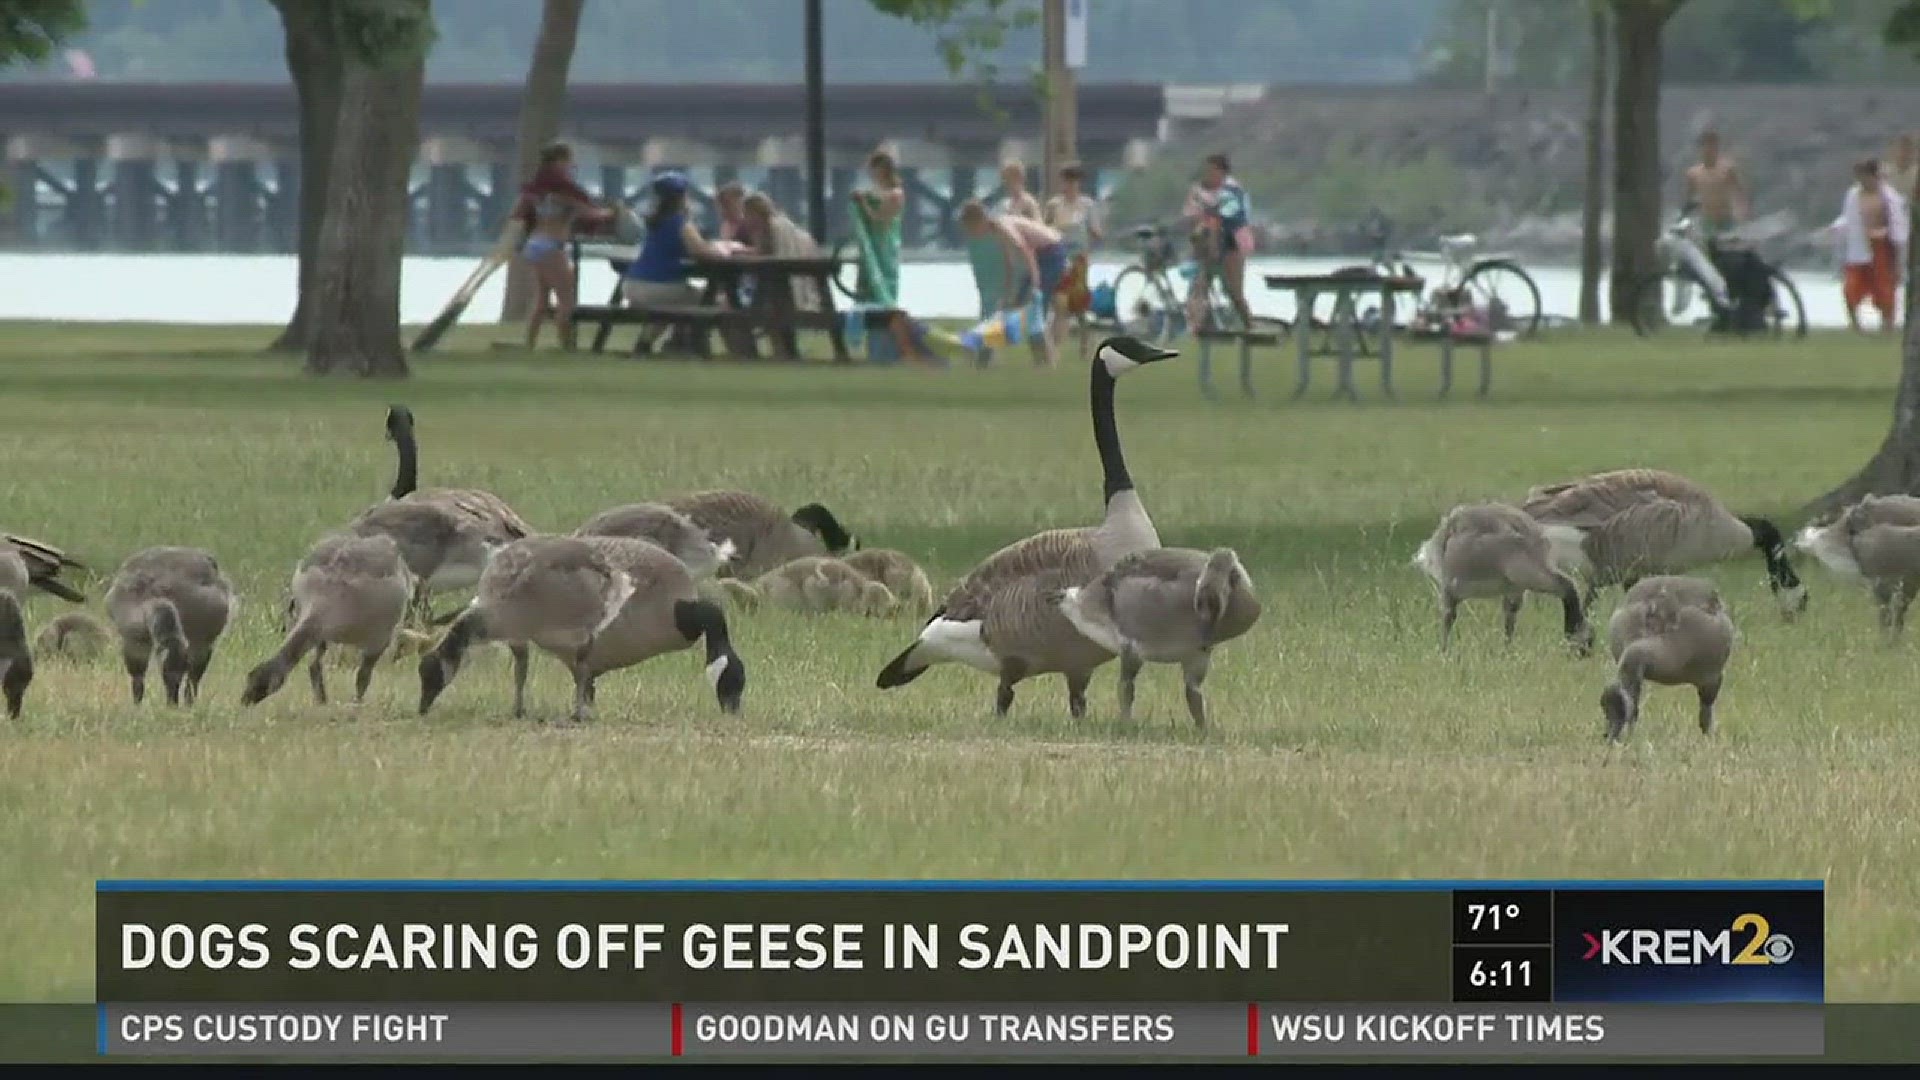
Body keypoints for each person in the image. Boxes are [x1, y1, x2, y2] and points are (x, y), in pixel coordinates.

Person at [623, 173, 730, 352]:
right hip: (658, 287)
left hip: (632, 285)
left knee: (671, 307)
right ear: (681, 197)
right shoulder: (680, 223)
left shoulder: (654, 222)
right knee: (712, 300)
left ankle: (645, 344)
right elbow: (701, 251)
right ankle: (696, 345)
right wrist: (722, 251)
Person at [515, 141, 606, 350]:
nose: (571, 166)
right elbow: (589, 212)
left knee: (542, 299)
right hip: (551, 245)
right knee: (566, 300)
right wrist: (613, 213)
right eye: (568, 161)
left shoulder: (538, 189)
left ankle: (529, 343)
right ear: (559, 162)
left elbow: (521, 213)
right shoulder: (562, 191)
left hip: (535, 243)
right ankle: (566, 346)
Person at [959, 199, 1066, 366]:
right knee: (1020, 307)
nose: (971, 233)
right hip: (1041, 255)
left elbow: (1025, 249)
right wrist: (1009, 291)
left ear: (979, 221)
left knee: (1033, 307)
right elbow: (1009, 262)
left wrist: (1035, 281)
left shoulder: (1002, 227)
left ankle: (1045, 361)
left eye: (971, 228)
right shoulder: (994, 231)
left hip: (1051, 252)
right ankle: (1040, 360)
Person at [1834, 158, 1908, 334]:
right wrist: (1837, 229)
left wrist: (1896, 257)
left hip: (1881, 247)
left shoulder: (1889, 197)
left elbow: (1898, 226)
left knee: (1884, 288)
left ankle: (1887, 324)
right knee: (1851, 287)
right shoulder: (1853, 195)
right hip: (1858, 249)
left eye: (1866, 177)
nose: (1863, 181)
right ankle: (1855, 324)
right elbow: (1848, 218)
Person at [1182, 152, 1254, 332]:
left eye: (1212, 171)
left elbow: (1224, 215)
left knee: (1233, 291)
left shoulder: (1232, 190)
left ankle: (1249, 326)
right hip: (1208, 245)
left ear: (1222, 171)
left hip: (1232, 244)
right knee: (1200, 286)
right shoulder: (1202, 190)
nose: (1208, 175)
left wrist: (1205, 212)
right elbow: (1192, 214)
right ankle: (1197, 328)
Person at [1044, 163, 1102, 348]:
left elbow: (1095, 231)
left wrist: (1093, 244)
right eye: (1066, 181)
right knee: (1060, 302)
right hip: (1058, 258)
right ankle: (1055, 347)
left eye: (1073, 181)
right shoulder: (1054, 205)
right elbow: (1044, 229)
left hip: (1079, 260)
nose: (1069, 186)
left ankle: (1086, 337)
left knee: (1078, 305)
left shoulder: (1086, 205)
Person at [853, 150, 905, 305]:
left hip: (885, 245)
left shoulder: (895, 194)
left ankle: (886, 312)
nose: (874, 174)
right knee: (865, 283)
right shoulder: (872, 192)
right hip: (870, 245)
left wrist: (864, 203)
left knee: (884, 282)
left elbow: (880, 217)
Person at [1682, 130, 1748, 240]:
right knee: (1710, 251)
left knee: (1730, 249)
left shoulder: (1727, 169)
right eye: (1705, 146)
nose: (1708, 150)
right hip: (1707, 222)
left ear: (1717, 147)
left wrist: (1742, 214)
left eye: (1712, 146)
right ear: (1701, 148)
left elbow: (1739, 194)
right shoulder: (1693, 174)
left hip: (1727, 219)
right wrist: (1687, 222)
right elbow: (1688, 202)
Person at [715, 180, 751, 246]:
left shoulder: (750, 226)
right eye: (722, 205)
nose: (723, 210)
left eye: (727, 204)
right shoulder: (726, 225)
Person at [1888, 133, 1917, 204]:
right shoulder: (1883, 172)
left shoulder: (1916, 173)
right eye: (1900, 149)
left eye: (1906, 150)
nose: (1903, 154)